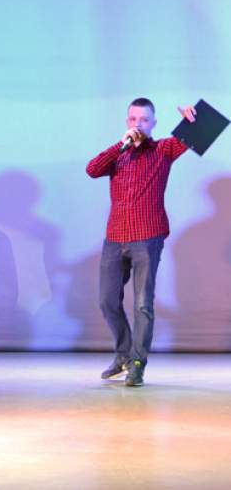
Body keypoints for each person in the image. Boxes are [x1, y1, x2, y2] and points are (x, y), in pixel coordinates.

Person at [86, 98, 195, 387]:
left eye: (144, 120)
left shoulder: (163, 150)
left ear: (153, 123)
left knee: (143, 304)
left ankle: (137, 362)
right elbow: (92, 169)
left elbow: (192, 136)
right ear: (127, 122)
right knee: (107, 301)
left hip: (147, 237)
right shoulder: (117, 155)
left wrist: (191, 120)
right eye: (134, 119)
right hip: (115, 237)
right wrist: (119, 145)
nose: (138, 124)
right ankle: (123, 354)